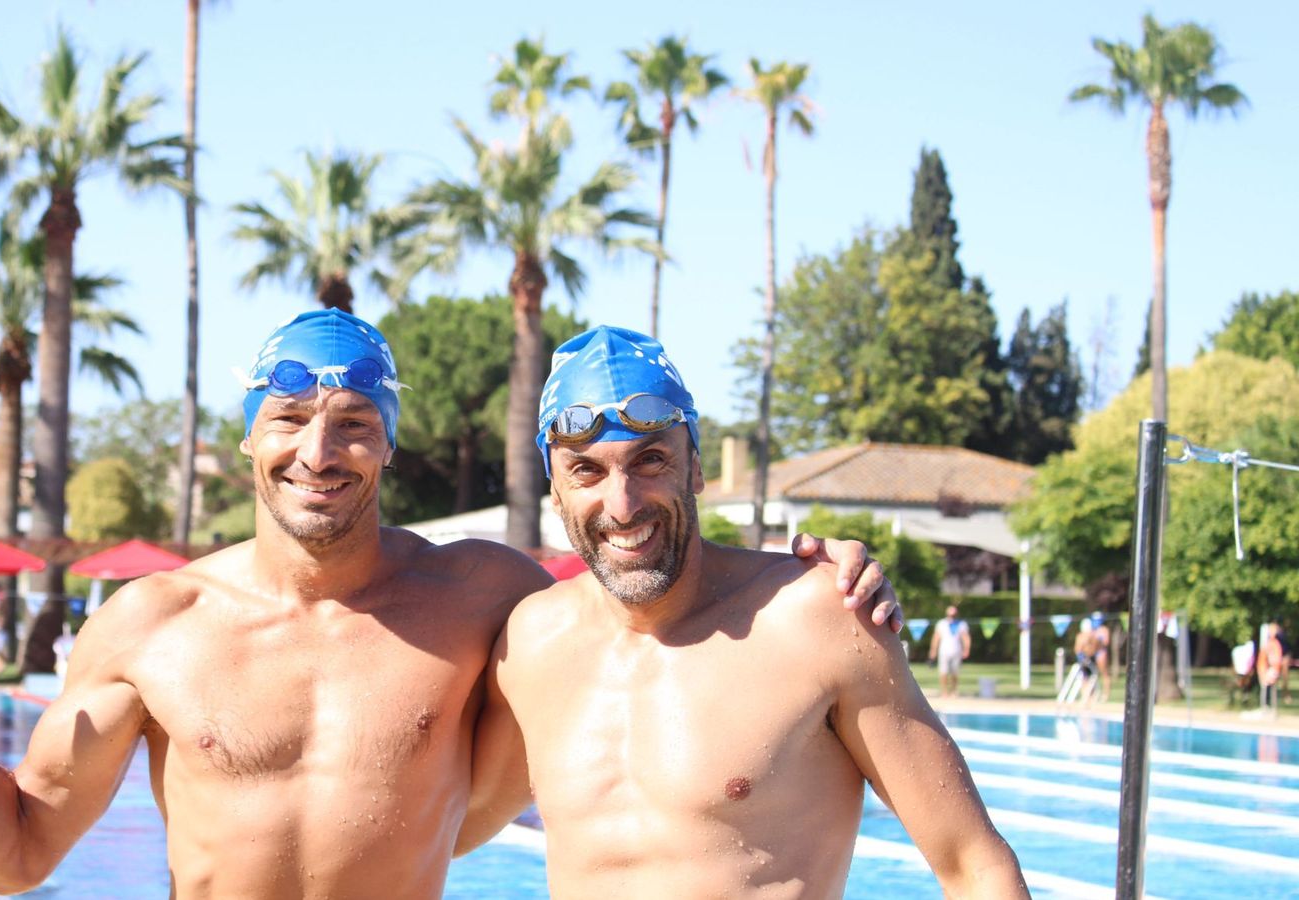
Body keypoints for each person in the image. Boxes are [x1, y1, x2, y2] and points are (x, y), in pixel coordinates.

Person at [0, 309, 898, 896]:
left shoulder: (486, 597)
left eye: (352, 426)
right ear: (247, 435)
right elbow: (17, 858)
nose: (318, 452)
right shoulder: (152, 626)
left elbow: (648, 580)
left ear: (387, 442)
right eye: (289, 417)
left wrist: (809, 569)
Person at [459, 326, 1026, 897]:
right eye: (587, 470)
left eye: (650, 460)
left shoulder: (817, 617)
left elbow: (973, 863)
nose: (622, 504)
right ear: (555, 491)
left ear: (697, 469)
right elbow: (450, 828)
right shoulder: (533, 641)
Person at [929, 604, 972, 698]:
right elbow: (936, 638)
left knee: (955, 673)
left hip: (957, 651)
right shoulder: (941, 624)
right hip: (944, 651)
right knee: (943, 672)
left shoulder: (961, 624)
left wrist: (966, 649)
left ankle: (953, 691)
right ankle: (944, 691)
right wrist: (933, 651)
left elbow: (965, 637)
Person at [1090, 612, 1112, 703]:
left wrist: (1097, 641)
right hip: (1093, 653)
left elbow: (1106, 642)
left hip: (1101, 653)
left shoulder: (1104, 630)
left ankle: (1105, 695)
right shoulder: (1092, 630)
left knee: (1104, 674)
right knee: (1092, 674)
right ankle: (1092, 695)